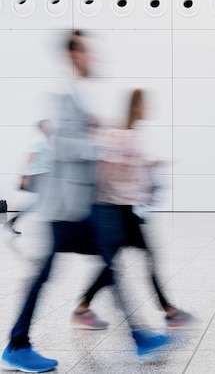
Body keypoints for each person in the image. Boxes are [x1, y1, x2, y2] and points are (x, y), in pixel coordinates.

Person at [1, 31, 166, 373]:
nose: (94, 58)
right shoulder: (62, 96)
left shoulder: (78, 96)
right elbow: (63, 146)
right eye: (88, 51)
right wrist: (99, 143)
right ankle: (17, 345)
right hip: (65, 206)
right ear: (73, 55)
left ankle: (137, 337)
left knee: (107, 260)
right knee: (65, 269)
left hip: (77, 204)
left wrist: (98, 133)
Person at [71, 89, 192, 330]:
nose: (148, 109)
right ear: (136, 107)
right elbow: (106, 165)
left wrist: (152, 163)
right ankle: (168, 310)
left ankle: (84, 307)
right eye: (144, 105)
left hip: (126, 211)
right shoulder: (121, 136)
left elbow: (131, 163)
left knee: (126, 260)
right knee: (125, 261)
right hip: (116, 211)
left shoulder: (128, 134)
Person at [3, 119, 54, 236]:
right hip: (39, 175)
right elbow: (28, 158)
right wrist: (23, 176)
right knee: (35, 201)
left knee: (39, 201)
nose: (51, 127)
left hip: (47, 176)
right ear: (41, 128)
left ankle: (13, 222)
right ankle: (13, 221)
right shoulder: (38, 141)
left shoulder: (47, 141)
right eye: (47, 125)